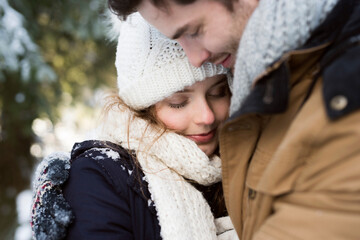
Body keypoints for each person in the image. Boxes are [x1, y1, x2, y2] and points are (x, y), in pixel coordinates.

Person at [107, 0, 360, 239]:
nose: (195, 58)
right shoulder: (264, 90)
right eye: (178, 103)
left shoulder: (339, 87)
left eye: (194, 31)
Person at [31, 13, 239, 240]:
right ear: (143, 108)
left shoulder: (248, 155)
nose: (207, 116)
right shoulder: (101, 178)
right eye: (178, 103)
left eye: (218, 92)